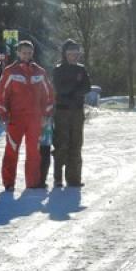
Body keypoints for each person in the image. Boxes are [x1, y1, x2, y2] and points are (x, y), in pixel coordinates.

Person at [0, 40, 55, 191]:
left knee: (34, 152)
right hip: (16, 119)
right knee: (11, 150)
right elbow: (1, 95)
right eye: (23, 52)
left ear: (32, 53)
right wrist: (3, 114)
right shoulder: (10, 71)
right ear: (18, 53)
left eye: (29, 52)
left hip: (35, 119)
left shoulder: (40, 72)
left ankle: (32, 183)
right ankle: (9, 183)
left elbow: (49, 94)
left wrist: (46, 114)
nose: (26, 55)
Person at [52, 39, 92, 187]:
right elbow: (60, 89)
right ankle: (58, 178)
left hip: (77, 111)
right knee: (61, 144)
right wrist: (75, 89)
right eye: (70, 54)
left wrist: (74, 90)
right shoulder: (58, 69)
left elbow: (87, 87)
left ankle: (74, 178)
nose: (73, 56)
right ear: (65, 54)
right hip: (62, 111)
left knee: (76, 144)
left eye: (76, 54)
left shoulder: (81, 69)